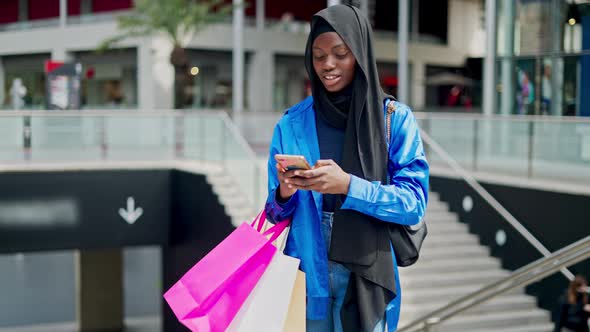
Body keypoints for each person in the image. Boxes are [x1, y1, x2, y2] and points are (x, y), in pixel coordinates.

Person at [264, 5, 429, 332]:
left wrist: (348, 185)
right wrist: (285, 191)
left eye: (341, 53)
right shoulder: (292, 123)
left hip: (366, 273)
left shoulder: (394, 119)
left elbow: (413, 205)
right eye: (319, 55)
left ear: (360, 53)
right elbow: (273, 213)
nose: (328, 65)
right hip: (308, 272)